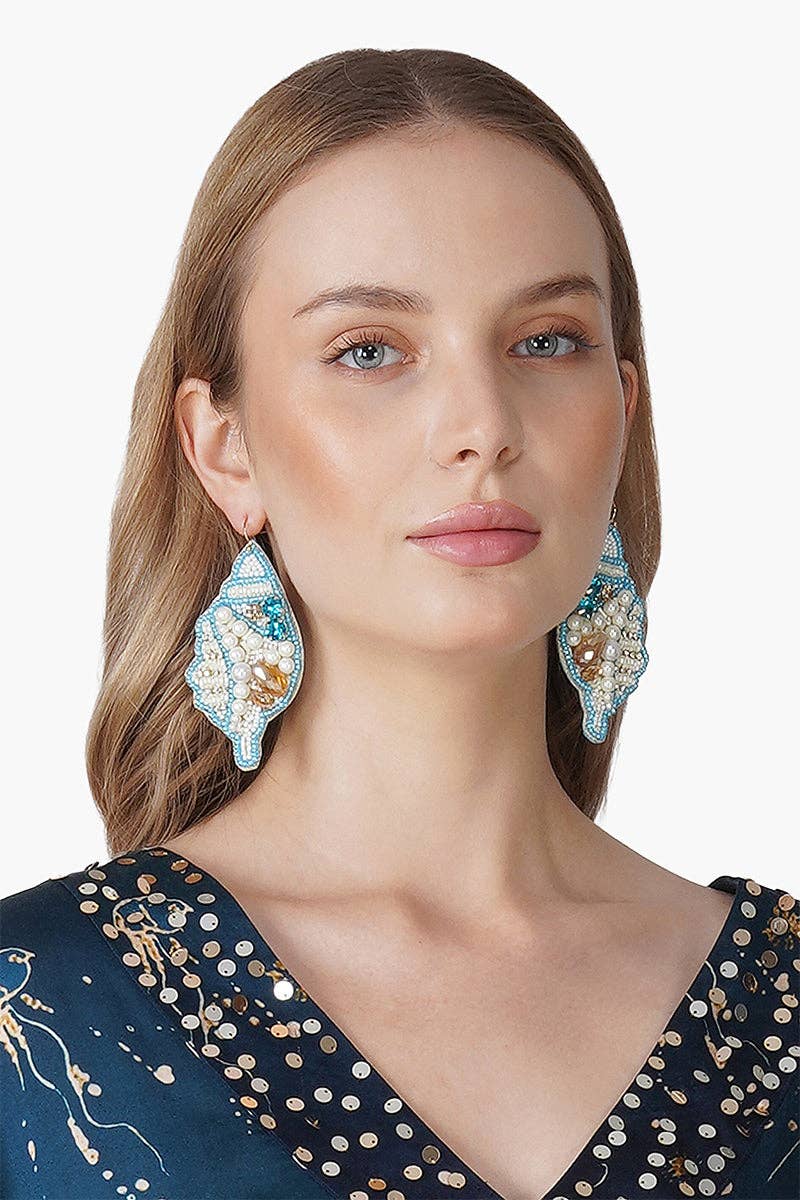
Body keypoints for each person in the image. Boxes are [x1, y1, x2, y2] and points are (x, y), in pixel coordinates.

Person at [2, 47, 797, 1200]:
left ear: (621, 411)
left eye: (545, 341)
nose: (481, 425)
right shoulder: (34, 1011)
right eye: (368, 351)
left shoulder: (780, 1000)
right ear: (224, 447)